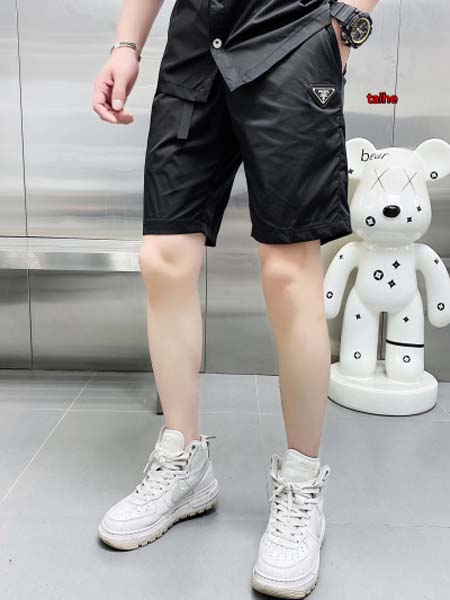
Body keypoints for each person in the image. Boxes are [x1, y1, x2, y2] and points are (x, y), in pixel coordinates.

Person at [92, 0, 379, 597]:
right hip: (197, 40)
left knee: (288, 269)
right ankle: (184, 459)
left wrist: (345, 23)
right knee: (163, 259)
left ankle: (301, 482)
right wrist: (126, 44)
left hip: (293, 30)